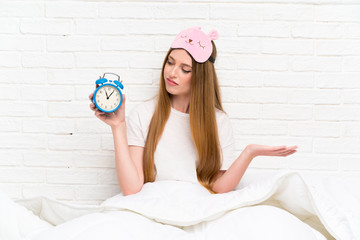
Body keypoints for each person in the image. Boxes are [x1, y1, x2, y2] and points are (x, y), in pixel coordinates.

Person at [89, 26, 298, 196]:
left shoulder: (219, 122)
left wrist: (249, 153)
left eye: (185, 69)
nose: (172, 73)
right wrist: (118, 126)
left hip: (198, 205)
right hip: (155, 202)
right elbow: (131, 188)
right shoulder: (144, 114)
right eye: (170, 63)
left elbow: (219, 187)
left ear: (199, 77)